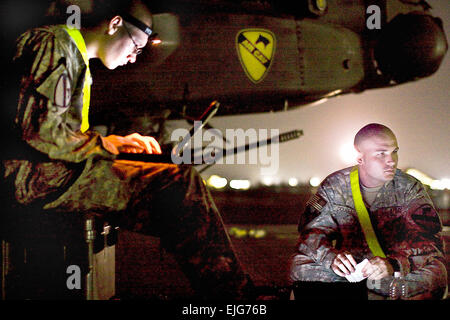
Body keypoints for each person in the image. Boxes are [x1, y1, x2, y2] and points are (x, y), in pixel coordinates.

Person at [1, 0, 252, 299]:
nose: (134, 58)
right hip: (26, 178)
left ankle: (234, 292)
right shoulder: (55, 45)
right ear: (115, 24)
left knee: (173, 171)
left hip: (42, 173)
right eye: (136, 46)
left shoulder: (73, 55)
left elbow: (57, 134)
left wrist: (116, 146)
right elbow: (39, 131)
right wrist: (107, 145)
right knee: (177, 184)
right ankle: (234, 297)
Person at [289, 123, 447, 299]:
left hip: (396, 268)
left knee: (436, 271)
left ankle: (375, 291)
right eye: (381, 154)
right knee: (300, 264)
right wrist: (331, 258)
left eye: (394, 152)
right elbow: (310, 234)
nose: (391, 160)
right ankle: (374, 292)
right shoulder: (335, 186)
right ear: (359, 157)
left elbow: (430, 244)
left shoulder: (409, 187)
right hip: (353, 269)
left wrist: (394, 263)